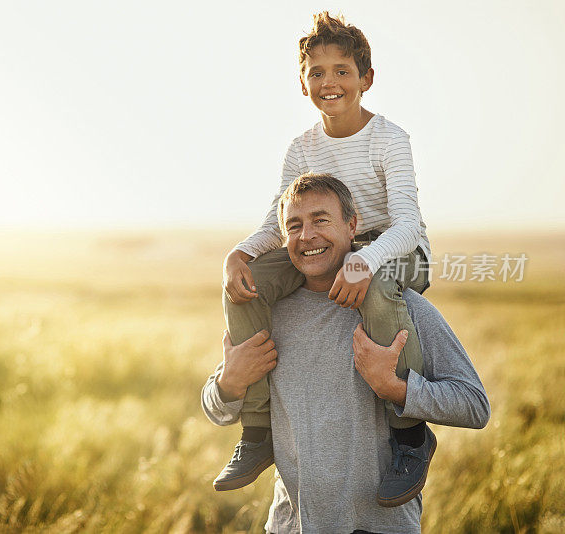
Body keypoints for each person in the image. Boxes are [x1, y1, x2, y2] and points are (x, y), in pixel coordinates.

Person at [214, 11, 434, 506]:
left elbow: (406, 224)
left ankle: (411, 435)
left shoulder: (389, 139)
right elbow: (279, 224)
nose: (328, 82)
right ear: (302, 82)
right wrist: (239, 252)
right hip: (333, 247)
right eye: (316, 72)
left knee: (378, 287)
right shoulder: (301, 148)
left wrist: (365, 261)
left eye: (341, 71)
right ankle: (256, 430)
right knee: (245, 280)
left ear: (366, 79)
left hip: (398, 250)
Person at [202, 173, 490, 533]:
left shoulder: (403, 308)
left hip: (381, 526)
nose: (307, 235)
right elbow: (216, 407)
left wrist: (396, 389)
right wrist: (229, 383)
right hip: (293, 526)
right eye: (294, 226)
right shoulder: (270, 312)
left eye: (321, 220)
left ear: (351, 226)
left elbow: (475, 405)